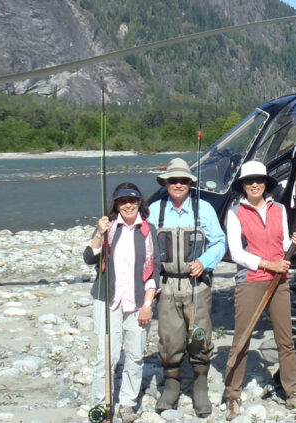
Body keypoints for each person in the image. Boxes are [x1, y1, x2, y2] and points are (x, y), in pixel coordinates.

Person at [222, 161, 296, 420]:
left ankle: (293, 392)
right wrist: (268, 264)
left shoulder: (279, 209)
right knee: (242, 337)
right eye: (249, 181)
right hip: (250, 279)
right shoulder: (235, 212)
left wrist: (295, 244)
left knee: (285, 339)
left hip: (279, 280)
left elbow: (283, 242)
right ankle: (233, 394)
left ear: (266, 183)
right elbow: (236, 253)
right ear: (243, 186)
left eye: (259, 180)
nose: (254, 184)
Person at [146, 158, 226, 417]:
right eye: (173, 181)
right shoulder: (154, 210)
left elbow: (219, 242)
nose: (178, 185)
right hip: (167, 285)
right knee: (169, 338)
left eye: (183, 181)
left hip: (197, 285)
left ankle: (200, 383)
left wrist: (205, 262)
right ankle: (172, 384)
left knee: (200, 335)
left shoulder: (204, 209)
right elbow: (145, 247)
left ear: (190, 184)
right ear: (166, 184)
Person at [83, 182, 162, 421]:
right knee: (106, 356)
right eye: (122, 201)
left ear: (140, 203)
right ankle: (102, 403)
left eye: (132, 200)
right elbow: (89, 258)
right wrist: (99, 232)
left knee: (135, 355)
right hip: (107, 301)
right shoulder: (108, 228)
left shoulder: (149, 230)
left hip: (138, 302)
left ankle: (127, 402)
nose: (128, 205)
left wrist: (147, 305)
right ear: (116, 204)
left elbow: (154, 270)